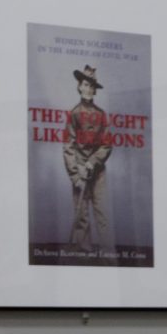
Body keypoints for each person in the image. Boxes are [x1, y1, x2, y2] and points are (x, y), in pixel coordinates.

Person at [64, 64, 112, 253]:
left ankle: (109, 254)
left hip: (97, 171)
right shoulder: (73, 113)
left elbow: (107, 144)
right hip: (79, 170)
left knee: (102, 213)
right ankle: (84, 253)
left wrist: (93, 162)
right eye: (86, 84)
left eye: (92, 86)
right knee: (81, 215)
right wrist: (75, 174)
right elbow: (68, 146)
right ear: (79, 86)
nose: (89, 89)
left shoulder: (101, 114)